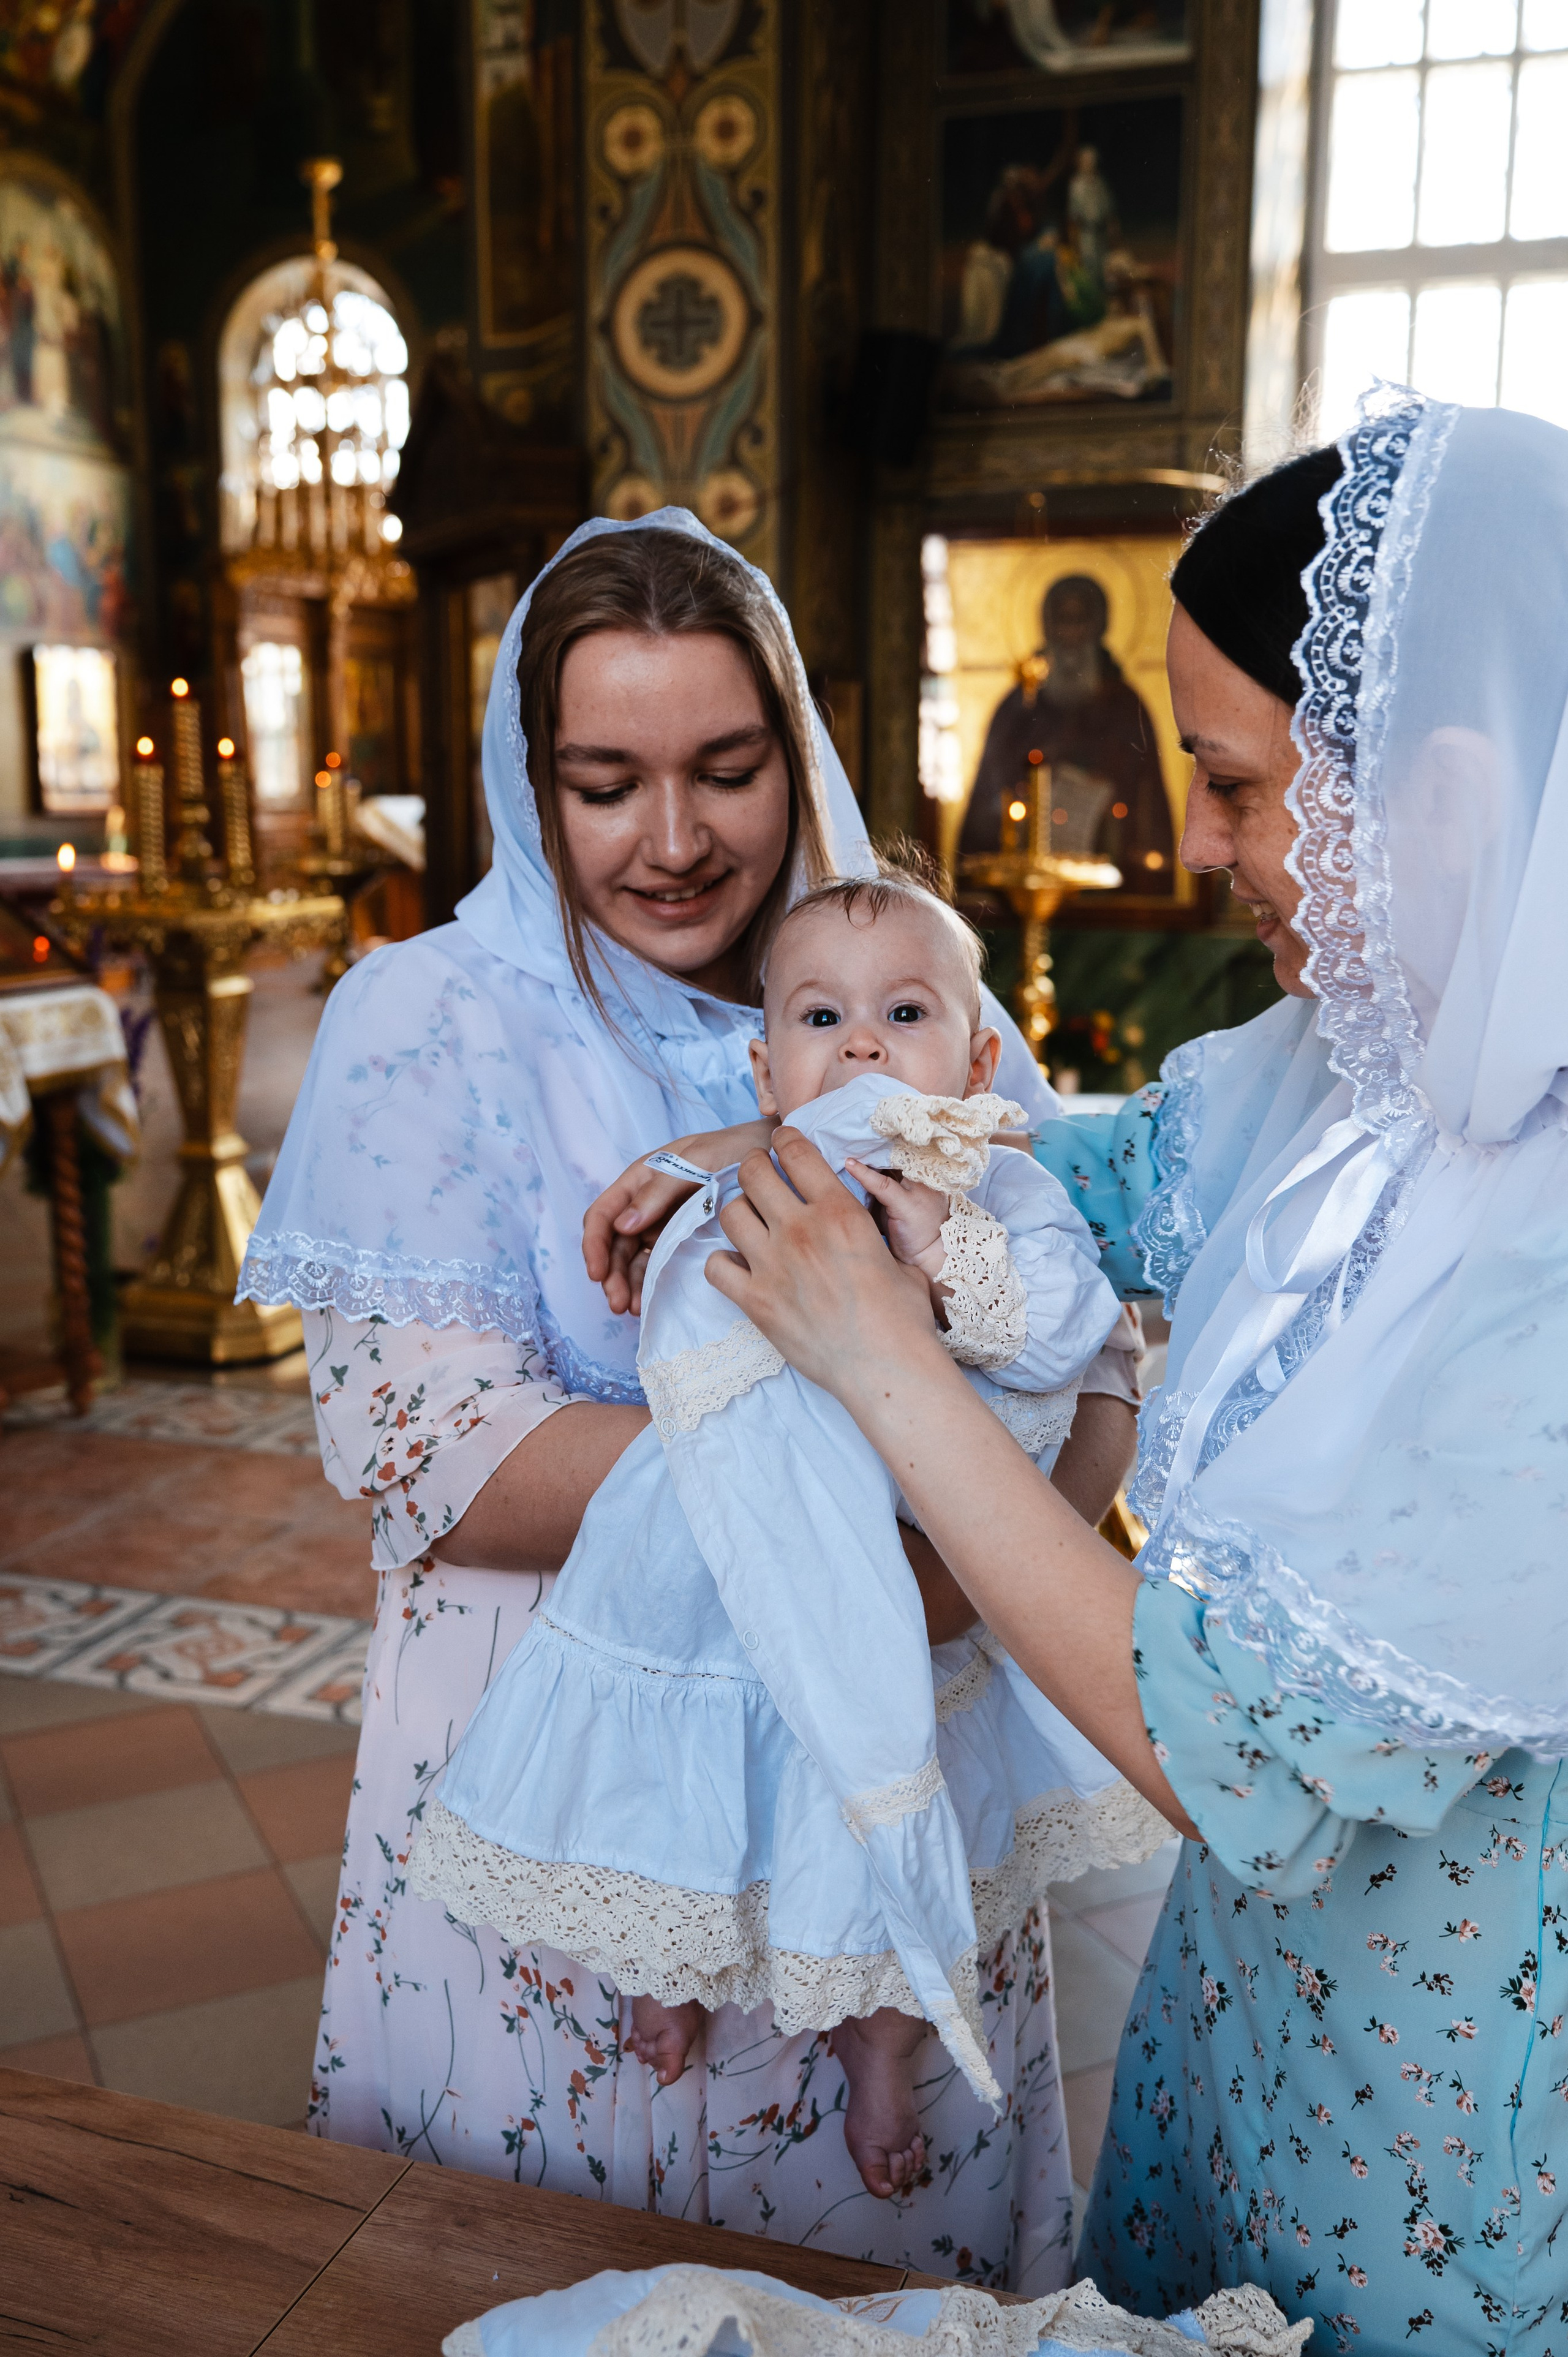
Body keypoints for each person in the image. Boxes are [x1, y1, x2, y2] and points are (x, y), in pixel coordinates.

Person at [682, 393, 1568, 2348]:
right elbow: (1072, 1161)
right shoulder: (1338, 1065)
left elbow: (1229, 1751)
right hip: (1233, 2025)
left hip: (1450, 2146)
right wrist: (800, 1138)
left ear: (1438, 786)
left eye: (1235, 784)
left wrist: (884, 1371)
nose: (1191, 840)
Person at [238, 509, 1144, 2288]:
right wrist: (881, 1481)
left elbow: (1092, 1356)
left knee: (877, 2289)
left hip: (901, 1735)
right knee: (562, 2276)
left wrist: (946, 1521)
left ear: (795, 753)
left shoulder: (904, 984)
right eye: (604, 782)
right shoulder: (423, 1017)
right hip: (591, 1773)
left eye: (726, 770)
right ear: (530, 780)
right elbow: (436, 1451)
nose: (670, 841)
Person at [410, 869, 1165, 2202]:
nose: (862, 1044)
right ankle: (673, 1971)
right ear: (767, 1068)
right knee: (691, 1798)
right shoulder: (757, 1176)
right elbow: (690, 1327)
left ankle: (882, 2051)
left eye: (905, 1011)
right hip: (731, 1563)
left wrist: (941, 1247)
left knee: (865, 1813)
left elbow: (1062, 1329)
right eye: (820, 1016)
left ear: (978, 1058)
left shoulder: (996, 1189)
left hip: (899, 1569)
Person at [959, 576, 1174, 895]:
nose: (1071, 634)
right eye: (1061, 620)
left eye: (1080, 620)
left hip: (1110, 883)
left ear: (1098, 626)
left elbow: (1147, 801)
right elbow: (990, 793)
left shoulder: (1126, 706)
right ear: (1047, 626)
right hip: (1022, 882)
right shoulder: (1018, 706)